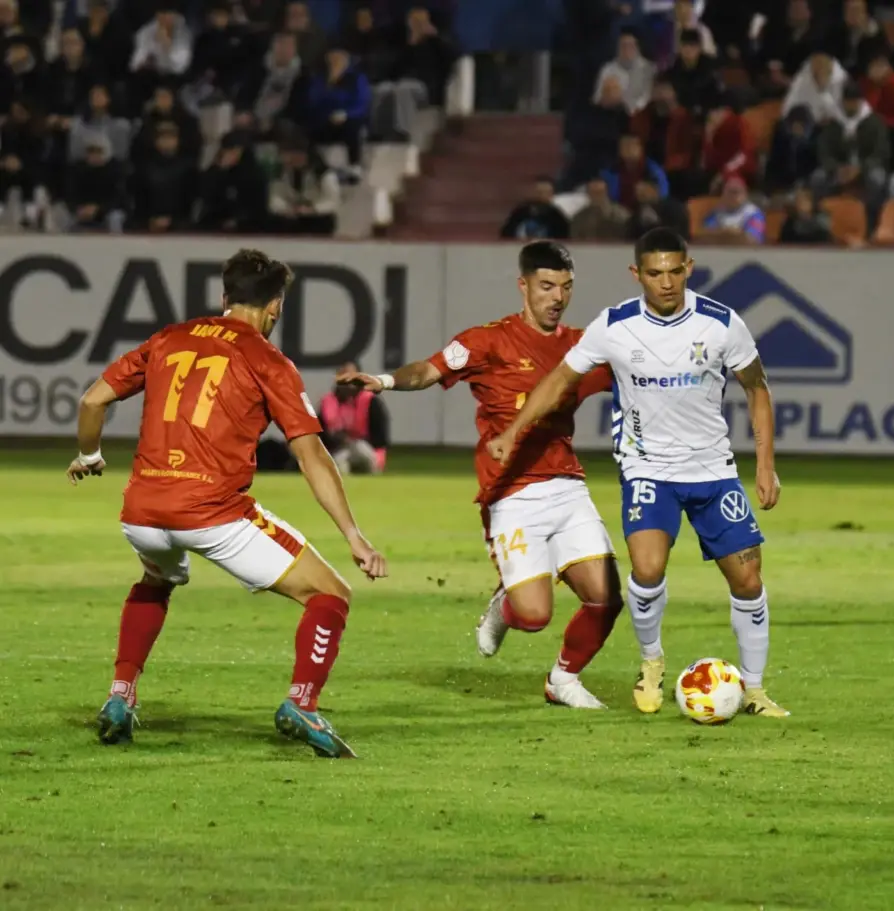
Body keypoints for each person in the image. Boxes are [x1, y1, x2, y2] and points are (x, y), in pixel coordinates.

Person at [66, 249, 387, 759]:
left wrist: (89, 454)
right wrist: (353, 534)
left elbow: (92, 401)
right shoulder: (268, 360)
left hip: (143, 512)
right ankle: (302, 703)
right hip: (211, 515)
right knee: (331, 595)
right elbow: (311, 456)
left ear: (224, 297)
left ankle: (121, 695)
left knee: (157, 580)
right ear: (276, 307)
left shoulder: (169, 338)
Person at [487, 228, 789, 719]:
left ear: (688, 268)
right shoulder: (615, 326)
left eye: (675, 271)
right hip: (647, 470)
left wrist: (767, 465)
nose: (666, 282)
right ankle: (651, 662)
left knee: (749, 579)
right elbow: (560, 378)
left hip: (712, 470)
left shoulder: (721, 323)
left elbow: (757, 388)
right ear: (637, 275)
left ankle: (753, 690)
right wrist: (515, 430)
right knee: (647, 569)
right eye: (655, 273)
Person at [338, 242, 621, 709]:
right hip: (512, 494)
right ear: (523, 286)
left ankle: (563, 680)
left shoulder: (579, 348)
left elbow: (637, 372)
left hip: (568, 487)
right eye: (547, 286)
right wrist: (386, 381)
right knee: (533, 616)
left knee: (606, 598)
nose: (557, 297)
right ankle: (504, 603)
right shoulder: (487, 341)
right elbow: (429, 370)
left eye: (566, 288)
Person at [319, 363, 389, 474]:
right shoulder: (328, 402)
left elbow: (380, 438)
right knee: (339, 464)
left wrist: (355, 440)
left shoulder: (370, 401)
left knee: (362, 451)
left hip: (366, 448)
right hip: (338, 449)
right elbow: (321, 435)